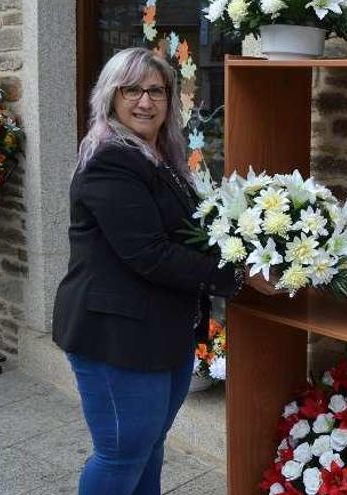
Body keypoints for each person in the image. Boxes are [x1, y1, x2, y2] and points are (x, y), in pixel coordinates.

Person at [52, 47, 245, 495]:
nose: (145, 101)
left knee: (148, 445)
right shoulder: (111, 159)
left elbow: (187, 233)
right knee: (120, 454)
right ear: (111, 96)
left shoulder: (159, 157)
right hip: (116, 336)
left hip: (160, 330)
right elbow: (150, 253)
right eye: (131, 89)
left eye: (156, 90)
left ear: (170, 99)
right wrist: (236, 276)